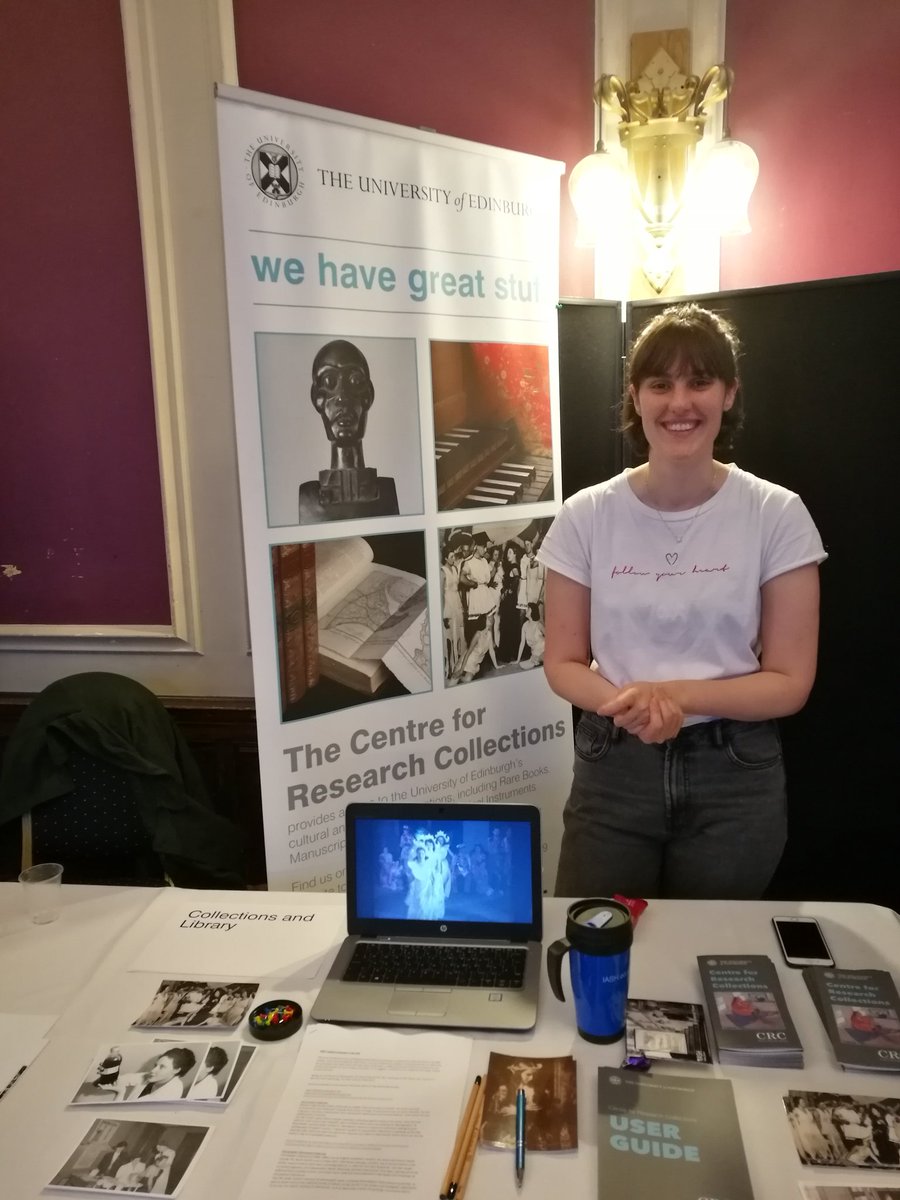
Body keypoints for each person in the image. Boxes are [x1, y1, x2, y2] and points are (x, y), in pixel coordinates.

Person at [539, 303, 826, 900]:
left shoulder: (777, 513)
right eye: (660, 384)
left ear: (729, 393)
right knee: (594, 944)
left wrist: (672, 698)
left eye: (700, 382)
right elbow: (562, 662)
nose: (679, 403)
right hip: (613, 767)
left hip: (735, 775)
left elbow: (790, 681)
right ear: (635, 397)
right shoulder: (585, 515)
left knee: (711, 960)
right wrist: (635, 707)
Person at [298, 338, 399, 522]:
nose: (342, 397)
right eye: (329, 381)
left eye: (354, 380)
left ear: (368, 396)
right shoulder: (307, 498)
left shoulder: (387, 491)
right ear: (317, 399)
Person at [114, 1047, 197, 1101]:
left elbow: (127, 1109)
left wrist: (120, 1093)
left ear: (176, 1070)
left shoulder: (172, 1092)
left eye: (162, 1067)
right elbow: (127, 1078)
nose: (153, 1070)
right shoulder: (156, 1076)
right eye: (156, 1065)